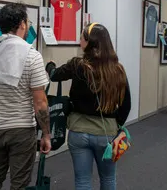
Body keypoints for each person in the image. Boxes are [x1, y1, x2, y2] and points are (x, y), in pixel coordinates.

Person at [0, 2, 51, 190]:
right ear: (22, 24)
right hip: (20, 130)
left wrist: (2, 95)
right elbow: (40, 103)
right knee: (19, 183)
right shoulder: (31, 55)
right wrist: (46, 134)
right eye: (28, 22)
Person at [46, 23, 131, 190]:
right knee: (108, 179)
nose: (79, 41)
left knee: (83, 181)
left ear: (89, 42)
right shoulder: (117, 70)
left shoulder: (78, 66)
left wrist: (50, 66)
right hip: (106, 135)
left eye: (81, 38)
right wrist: (117, 125)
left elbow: (55, 76)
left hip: (78, 132)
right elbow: (126, 104)